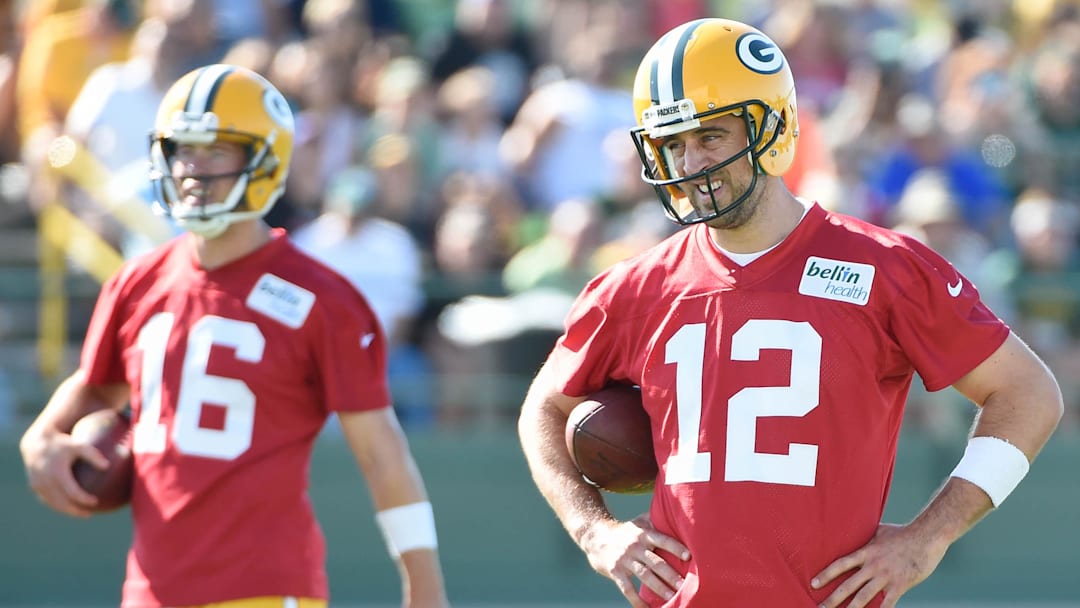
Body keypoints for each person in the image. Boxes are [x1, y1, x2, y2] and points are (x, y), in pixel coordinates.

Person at [517, 18, 1062, 608]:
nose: (689, 163)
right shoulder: (634, 287)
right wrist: (593, 529)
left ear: (771, 128)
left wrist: (929, 538)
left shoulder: (885, 269)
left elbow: (1028, 394)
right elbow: (543, 409)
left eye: (710, 137)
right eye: (672, 144)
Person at [19, 64, 449, 608]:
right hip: (149, 588)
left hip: (262, 586)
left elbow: (382, 454)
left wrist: (425, 587)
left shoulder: (322, 299)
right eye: (183, 150)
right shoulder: (136, 281)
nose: (193, 170)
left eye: (216, 151)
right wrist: (40, 439)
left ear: (265, 161)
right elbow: (96, 387)